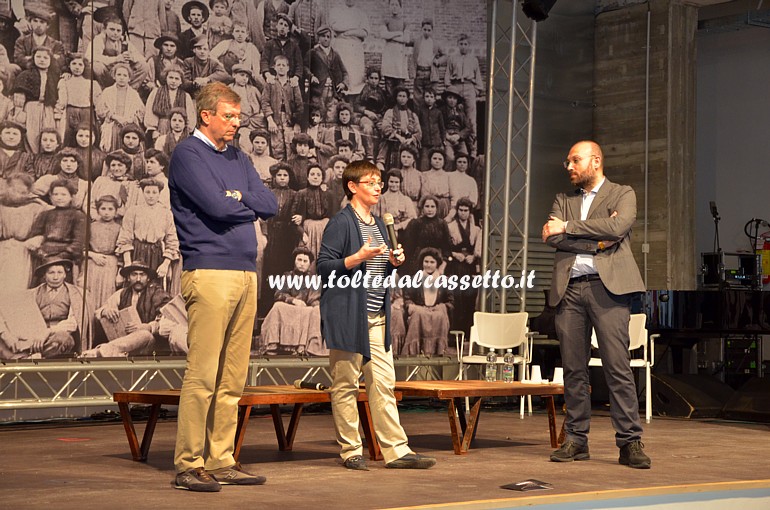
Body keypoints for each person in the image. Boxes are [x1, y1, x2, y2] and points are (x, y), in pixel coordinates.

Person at [170, 81, 278, 491]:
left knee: (233, 377)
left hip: (246, 272)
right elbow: (215, 206)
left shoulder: (238, 155)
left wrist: (240, 195)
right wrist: (241, 198)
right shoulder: (187, 154)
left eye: (238, 116)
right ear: (207, 116)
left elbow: (271, 204)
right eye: (229, 116)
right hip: (210, 270)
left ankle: (221, 459)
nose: (237, 122)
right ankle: (187, 465)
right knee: (202, 375)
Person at [317, 159, 436, 471]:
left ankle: (396, 451)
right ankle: (350, 450)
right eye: (370, 182)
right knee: (345, 385)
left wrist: (393, 262)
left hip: (376, 317)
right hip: (348, 317)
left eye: (379, 182)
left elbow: (377, 269)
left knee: (383, 384)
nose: (378, 187)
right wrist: (356, 257)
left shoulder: (382, 224)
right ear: (353, 187)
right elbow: (323, 267)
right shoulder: (341, 223)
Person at [541, 140, 651, 470]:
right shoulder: (564, 198)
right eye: (568, 161)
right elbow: (552, 236)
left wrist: (571, 228)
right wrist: (600, 241)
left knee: (617, 367)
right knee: (574, 369)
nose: (570, 166)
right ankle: (576, 440)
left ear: (596, 161)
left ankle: (630, 442)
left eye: (575, 160)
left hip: (608, 290)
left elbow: (619, 227)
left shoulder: (622, 194)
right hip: (570, 289)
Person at [82, 260, 172, 357]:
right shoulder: (122, 293)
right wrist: (105, 311)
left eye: (142, 275)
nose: (138, 279)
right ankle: (115, 352)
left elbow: (168, 319)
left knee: (144, 335)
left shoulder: (158, 293)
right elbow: (98, 312)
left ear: (148, 278)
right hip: (124, 342)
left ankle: (101, 351)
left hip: (150, 345)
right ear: (128, 278)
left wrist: (149, 327)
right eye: (134, 275)